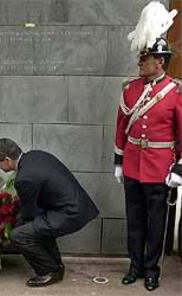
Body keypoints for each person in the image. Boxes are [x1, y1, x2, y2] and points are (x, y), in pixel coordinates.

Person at [114, 3, 181, 291]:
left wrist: (179, 167)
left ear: (160, 62)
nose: (140, 63)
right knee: (135, 221)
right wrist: (118, 162)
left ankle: (152, 270)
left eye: (146, 58)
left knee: (155, 225)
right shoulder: (130, 89)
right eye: (141, 58)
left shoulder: (175, 92)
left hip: (159, 167)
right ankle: (135, 266)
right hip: (132, 164)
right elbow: (121, 126)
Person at [0, 138, 99, 287]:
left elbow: (28, 215)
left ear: (7, 160)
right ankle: (56, 266)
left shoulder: (24, 177)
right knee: (38, 226)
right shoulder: (35, 155)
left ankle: (48, 271)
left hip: (69, 213)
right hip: (76, 206)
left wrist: (7, 229)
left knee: (20, 235)